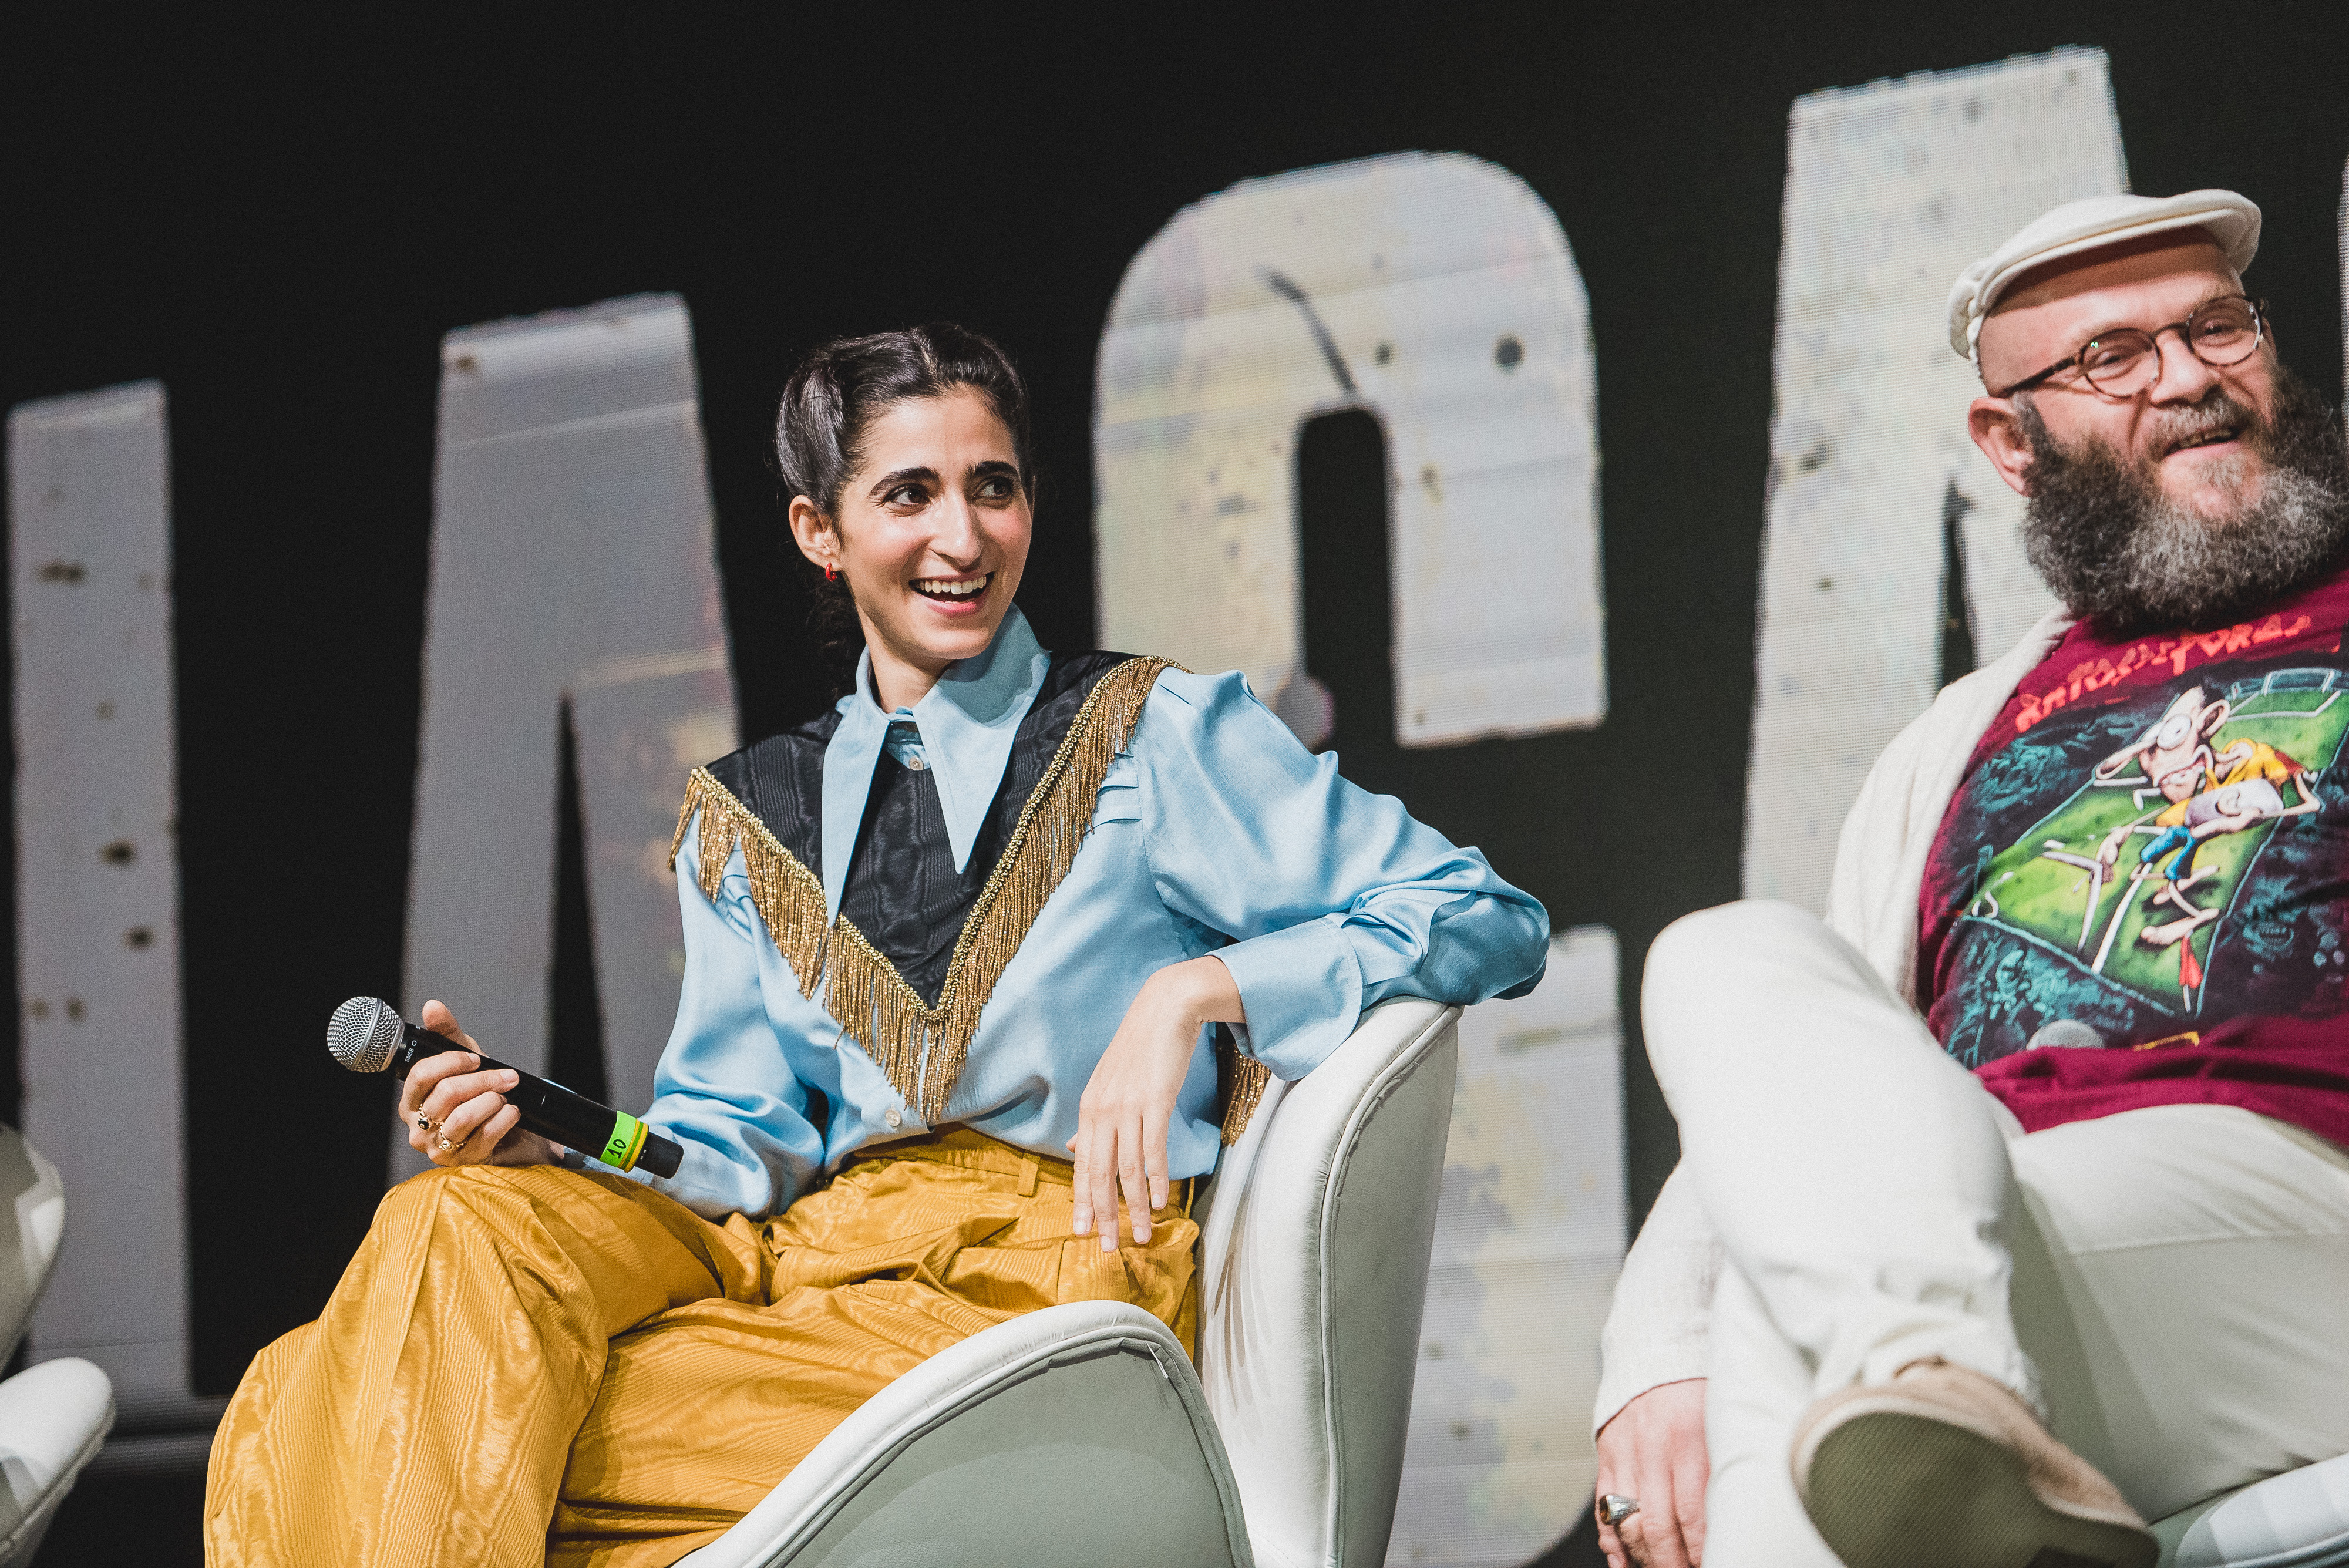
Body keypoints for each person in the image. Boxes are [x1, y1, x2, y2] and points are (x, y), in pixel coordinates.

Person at [203, 324, 1550, 1567]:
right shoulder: (751, 817)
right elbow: (729, 1151)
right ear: (820, 530)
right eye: (909, 494)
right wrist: (549, 1140)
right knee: (445, 1223)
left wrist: (1198, 990)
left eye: (992, 487)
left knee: (321, 1404)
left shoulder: (1152, 735)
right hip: (788, 1270)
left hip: (1029, 1299)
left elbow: (1483, 913)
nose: (962, 535)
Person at [1591, 191, 2349, 1568]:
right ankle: (1948, 1397)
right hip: (1987, 1210)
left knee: (1809, 1339)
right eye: (2111, 357)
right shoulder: (1956, 735)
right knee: (1719, 952)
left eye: (2214, 327)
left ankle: (1941, 1378)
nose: (2186, 377)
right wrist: (1653, 1354)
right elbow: (1791, 1087)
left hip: (2299, 1191)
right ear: (2009, 443)